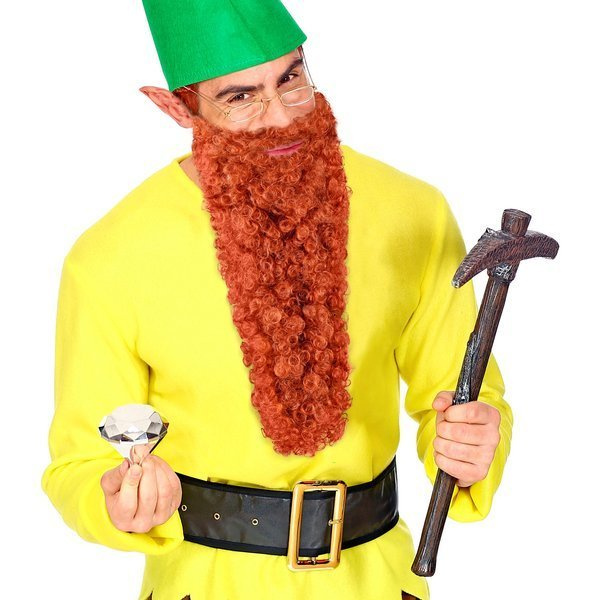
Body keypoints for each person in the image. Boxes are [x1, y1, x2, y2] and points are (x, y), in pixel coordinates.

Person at [41, 1, 513, 599]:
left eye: (291, 78)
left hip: (375, 582)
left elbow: (465, 391)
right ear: (176, 107)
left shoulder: (413, 214)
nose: (283, 116)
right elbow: (79, 462)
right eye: (240, 97)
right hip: (206, 584)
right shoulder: (112, 256)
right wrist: (112, 501)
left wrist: (474, 443)